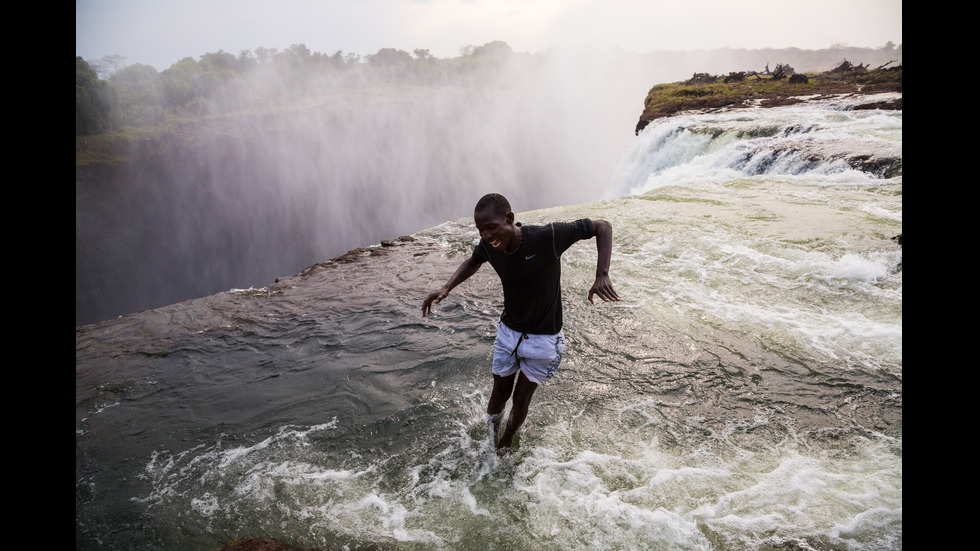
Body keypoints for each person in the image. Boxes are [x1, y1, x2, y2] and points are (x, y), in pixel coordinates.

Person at [421, 193, 620, 455]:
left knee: (521, 398)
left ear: (510, 219)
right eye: (480, 229)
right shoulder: (490, 247)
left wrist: (602, 274)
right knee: (498, 394)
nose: (486, 235)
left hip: (544, 340)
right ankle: (491, 440)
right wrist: (447, 287)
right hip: (508, 335)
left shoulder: (547, 237)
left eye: (491, 227)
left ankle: (506, 442)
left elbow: (602, 226)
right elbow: (473, 260)